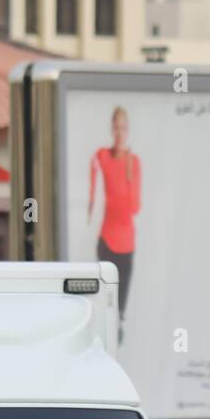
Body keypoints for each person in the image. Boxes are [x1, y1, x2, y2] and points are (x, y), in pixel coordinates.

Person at [88, 107, 142, 331]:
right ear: (112, 129)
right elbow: (93, 177)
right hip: (107, 240)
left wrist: (129, 176)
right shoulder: (102, 156)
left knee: (120, 312)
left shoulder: (134, 162)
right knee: (105, 305)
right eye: (116, 128)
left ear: (127, 131)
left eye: (123, 128)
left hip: (127, 243)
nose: (120, 133)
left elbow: (134, 207)